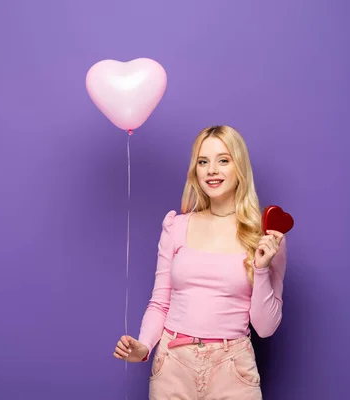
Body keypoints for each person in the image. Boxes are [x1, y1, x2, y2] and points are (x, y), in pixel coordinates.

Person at [112, 125, 287, 399]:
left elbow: (265, 328)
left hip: (233, 368)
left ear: (239, 167)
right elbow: (160, 302)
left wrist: (261, 269)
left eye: (223, 160)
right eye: (203, 161)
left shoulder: (265, 235)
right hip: (173, 366)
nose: (211, 170)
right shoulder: (176, 226)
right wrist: (144, 346)